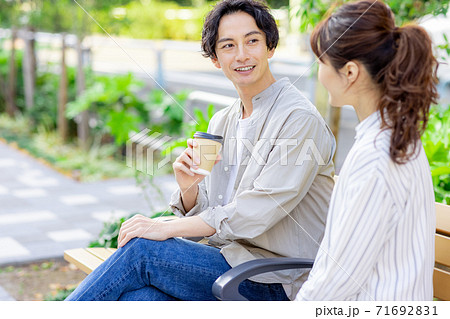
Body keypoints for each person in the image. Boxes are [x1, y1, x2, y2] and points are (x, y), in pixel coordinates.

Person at [66, 0, 335, 301]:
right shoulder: (222, 121)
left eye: (252, 41)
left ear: (270, 47)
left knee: (142, 251)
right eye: (229, 45)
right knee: (142, 300)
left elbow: (255, 212)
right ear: (215, 59)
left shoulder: (298, 119)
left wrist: (165, 227)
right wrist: (189, 191)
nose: (242, 55)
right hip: (225, 261)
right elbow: (213, 213)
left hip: (279, 278)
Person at [296, 0, 438, 301]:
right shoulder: (395, 136)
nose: (318, 72)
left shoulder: (375, 157)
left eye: (321, 61)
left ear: (349, 72)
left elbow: (335, 282)